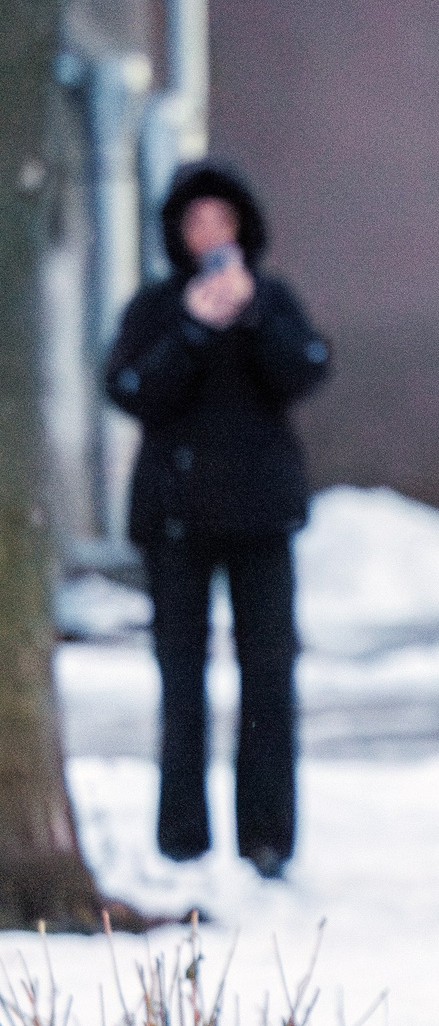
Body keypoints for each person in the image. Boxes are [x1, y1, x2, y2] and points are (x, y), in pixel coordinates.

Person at [103, 161, 332, 880]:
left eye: (222, 222)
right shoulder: (155, 308)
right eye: (196, 223)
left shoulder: (272, 300)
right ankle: (182, 838)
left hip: (262, 519)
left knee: (268, 678)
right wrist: (195, 331)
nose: (210, 237)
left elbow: (305, 369)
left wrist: (252, 317)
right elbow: (134, 389)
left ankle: (267, 837)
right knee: (181, 682)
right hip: (176, 520)